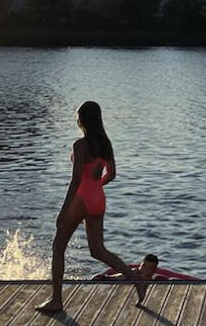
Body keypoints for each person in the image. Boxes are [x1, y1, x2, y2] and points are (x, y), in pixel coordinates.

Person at [37, 100, 154, 313]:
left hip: (81, 196)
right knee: (98, 250)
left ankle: (56, 300)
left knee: (58, 247)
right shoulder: (105, 144)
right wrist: (96, 186)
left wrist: (64, 211)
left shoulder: (80, 145)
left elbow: (75, 180)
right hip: (98, 198)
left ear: (83, 120)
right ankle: (136, 280)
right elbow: (112, 174)